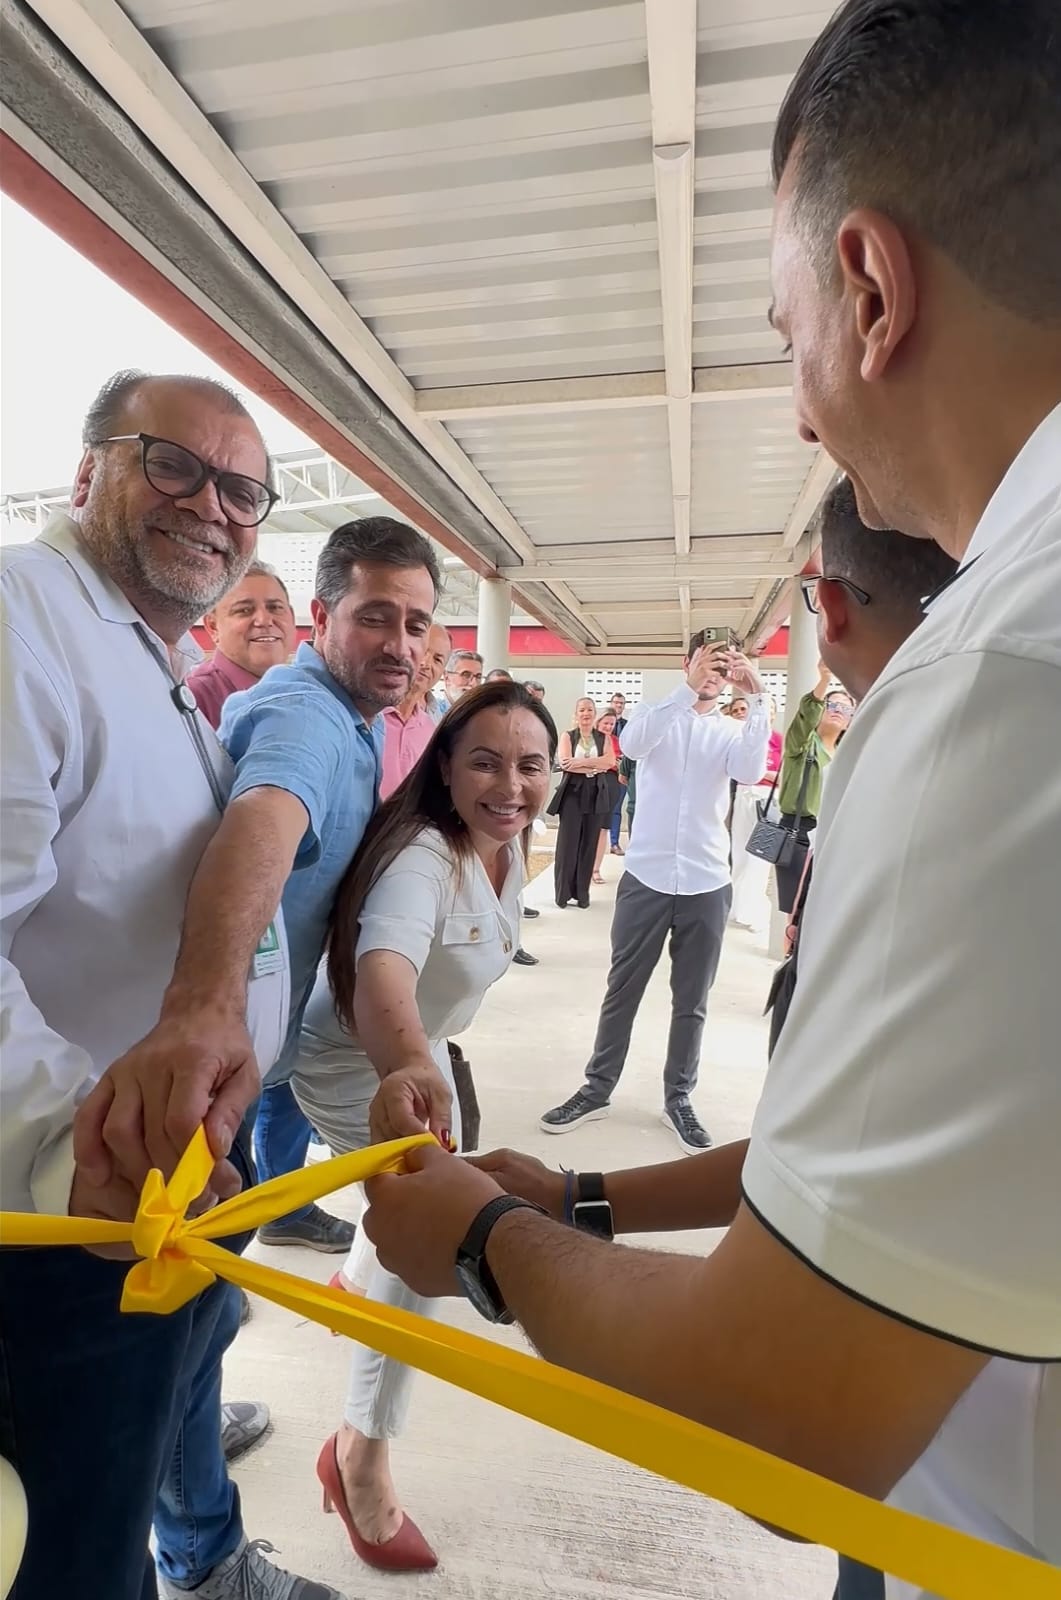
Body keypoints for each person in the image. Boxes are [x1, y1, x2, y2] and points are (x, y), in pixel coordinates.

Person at [359, 3, 1061, 1591]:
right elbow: (937, 1151)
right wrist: (585, 1198)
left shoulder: (995, 681)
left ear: (871, 289)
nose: (800, 405)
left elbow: (790, 1426)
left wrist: (477, 1241)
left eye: (781, 331)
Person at [0, 370, 336, 1600]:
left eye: (244, 488)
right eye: (175, 464)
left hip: (159, 1199)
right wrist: (70, 1148)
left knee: (120, 1498)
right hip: (69, 1225)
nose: (215, 504)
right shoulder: (21, 619)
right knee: (71, 1555)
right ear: (87, 470)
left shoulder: (145, 654)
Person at [290, 682, 557, 1571]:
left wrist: (420, 1055)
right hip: (357, 1060)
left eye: (530, 764)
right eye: (484, 761)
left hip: (419, 1051)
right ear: (443, 766)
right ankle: (358, 1455)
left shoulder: (505, 846)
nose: (509, 784)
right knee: (426, 1238)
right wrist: (405, 1064)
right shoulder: (422, 858)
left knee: (404, 1234)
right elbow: (382, 975)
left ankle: (361, 1277)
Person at [541, 638, 770, 1152]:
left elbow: (750, 771)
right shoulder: (655, 713)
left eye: (724, 663)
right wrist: (687, 692)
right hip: (646, 877)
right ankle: (597, 1089)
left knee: (692, 999)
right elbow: (637, 745)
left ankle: (679, 1098)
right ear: (686, 664)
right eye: (706, 660)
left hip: (707, 882)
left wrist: (758, 697)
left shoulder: (733, 728)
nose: (714, 671)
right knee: (622, 989)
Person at [773, 662, 853, 911]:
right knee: (797, 909)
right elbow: (802, 721)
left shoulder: (847, 755)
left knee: (825, 908)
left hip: (831, 834)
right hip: (797, 832)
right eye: (832, 705)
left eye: (845, 708)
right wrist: (824, 681)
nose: (837, 710)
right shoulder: (802, 745)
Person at [186, 559, 297, 728]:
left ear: (292, 618)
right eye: (244, 610)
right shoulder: (193, 700)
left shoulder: (309, 691)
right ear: (213, 626)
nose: (264, 620)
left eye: (275, 607)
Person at [547, 697, 616, 909]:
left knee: (589, 843)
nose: (586, 714)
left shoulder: (603, 737)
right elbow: (566, 763)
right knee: (568, 844)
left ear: (594, 714)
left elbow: (610, 762)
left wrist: (583, 763)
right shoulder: (568, 736)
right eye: (582, 710)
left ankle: (582, 894)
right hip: (573, 793)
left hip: (596, 792)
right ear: (576, 714)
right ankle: (562, 894)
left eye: (590, 710)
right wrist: (595, 765)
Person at [728, 695, 783, 936]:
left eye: (770, 709)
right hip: (744, 795)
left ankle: (753, 910)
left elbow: (782, 774)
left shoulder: (778, 739)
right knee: (739, 853)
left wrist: (766, 774)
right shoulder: (742, 736)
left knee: (760, 856)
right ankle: (736, 906)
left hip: (769, 800)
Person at [379, 622, 451, 799]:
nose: (427, 663)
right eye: (424, 652)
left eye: (437, 659)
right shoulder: (367, 715)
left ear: (442, 673)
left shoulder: (431, 730)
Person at [591, 710, 623, 884]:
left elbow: (617, 764)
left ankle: (596, 869)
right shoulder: (588, 738)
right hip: (589, 784)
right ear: (598, 722)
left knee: (603, 828)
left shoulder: (616, 742)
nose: (609, 727)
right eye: (606, 723)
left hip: (609, 785)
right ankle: (583, 867)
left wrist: (609, 763)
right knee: (587, 827)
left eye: (612, 724)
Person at [435, 647, 482, 712]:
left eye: (478, 677)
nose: (474, 683)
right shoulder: (432, 713)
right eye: (466, 675)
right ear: (447, 678)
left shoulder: (481, 714)